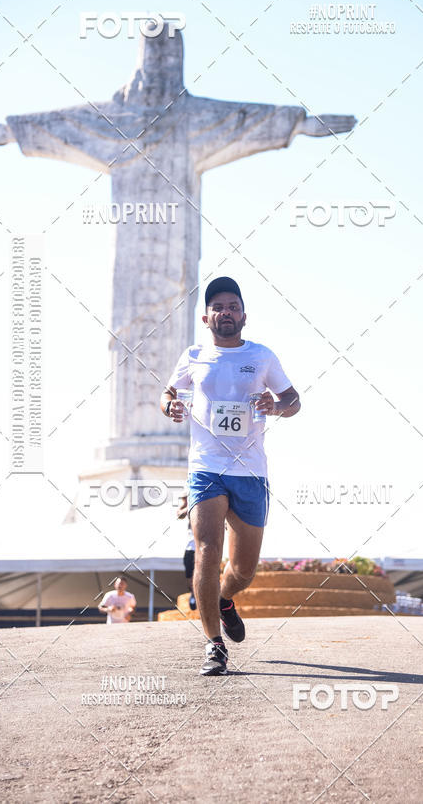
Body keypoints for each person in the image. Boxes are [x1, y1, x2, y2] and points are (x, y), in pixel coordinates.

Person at [160, 277, 300, 675]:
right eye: (218, 306)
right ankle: (213, 645)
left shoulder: (262, 356)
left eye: (233, 306)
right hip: (206, 468)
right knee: (207, 550)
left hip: (251, 472)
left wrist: (276, 405)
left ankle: (224, 598)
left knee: (243, 570)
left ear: (243, 316)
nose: (226, 312)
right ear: (206, 317)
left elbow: (293, 400)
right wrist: (169, 406)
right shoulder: (193, 356)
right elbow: (168, 393)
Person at [177, 486, 197, 610]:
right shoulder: (190, 494)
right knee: (190, 576)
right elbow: (179, 514)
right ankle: (194, 594)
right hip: (191, 546)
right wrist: (192, 506)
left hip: (206, 544)